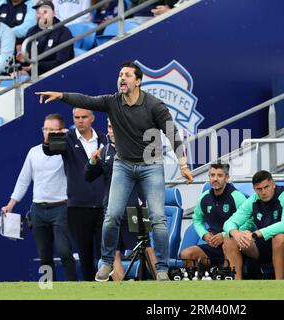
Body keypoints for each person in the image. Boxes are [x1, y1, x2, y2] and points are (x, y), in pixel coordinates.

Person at [35, 60, 193, 281]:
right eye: (120, 74)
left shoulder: (154, 105)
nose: (122, 78)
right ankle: (107, 262)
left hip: (151, 165)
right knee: (112, 216)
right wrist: (61, 95)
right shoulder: (112, 102)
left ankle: (163, 269)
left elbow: (171, 132)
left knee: (158, 218)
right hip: (123, 165)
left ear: (138, 81)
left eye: (127, 75)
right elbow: (86, 100)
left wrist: (183, 165)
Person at [1, 113, 77, 281]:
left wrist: (68, 137)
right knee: (44, 255)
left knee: (65, 252)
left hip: (61, 208)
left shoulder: (68, 151)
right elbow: (23, 179)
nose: (48, 133)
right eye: (45, 129)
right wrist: (10, 204)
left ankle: (74, 289)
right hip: (38, 210)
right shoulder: (33, 152)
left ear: (61, 130)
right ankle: (47, 291)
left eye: (52, 129)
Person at [85, 118, 155, 281]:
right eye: (109, 126)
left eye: (114, 127)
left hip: (135, 208)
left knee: (145, 248)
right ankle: (122, 290)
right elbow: (88, 176)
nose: (110, 130)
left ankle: (162, 283)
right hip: (111, 209)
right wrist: (92, 161)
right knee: (113, 251)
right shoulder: (104, 151)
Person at [43, 107, 107, 281]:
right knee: (85, 254)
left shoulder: (104, 138)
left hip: (103, 205)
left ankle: (109, 291)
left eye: (84, 117)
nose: (80, 120)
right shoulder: (67, 138)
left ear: (92, 118)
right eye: (76, 117)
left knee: (106, 253)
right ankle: (88, 289)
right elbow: (49, 150)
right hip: (78, 207)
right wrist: (52, 136)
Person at [222, 170, 284, 280]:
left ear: (273, 184)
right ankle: (236, 284)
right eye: (259, 189)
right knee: (229, 237)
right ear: (254, 189)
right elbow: (229, 222)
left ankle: (279, 283)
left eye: (266, 187)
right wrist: (236, 233)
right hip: (261, 245)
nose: (263, 192)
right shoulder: (253, 199)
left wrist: (256, 233)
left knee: (279, 238)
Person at [180, 162, 246, 268]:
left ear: (227, 178)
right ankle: (197, 282)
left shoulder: (237, 197)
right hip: (214, 246)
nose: (215, 179)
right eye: (212, 175)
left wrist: (225, 235)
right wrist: (204, 235)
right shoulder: (204, 197)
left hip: (234, 244)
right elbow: (197, 220)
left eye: (220, 175)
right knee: (187, 255)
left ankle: (231, 277)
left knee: (228, 244)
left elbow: (249, 223)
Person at [17, 0, 74, 75]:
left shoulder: (63, 32)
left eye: (45, 12)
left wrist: (37, 65)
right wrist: (24, 59)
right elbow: (28, 60)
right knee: (13, 76)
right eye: (38, 12)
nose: (40, 15)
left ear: (53, 13)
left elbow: (62, 62)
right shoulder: (31, 31)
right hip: (33, 73)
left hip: (56, 75)